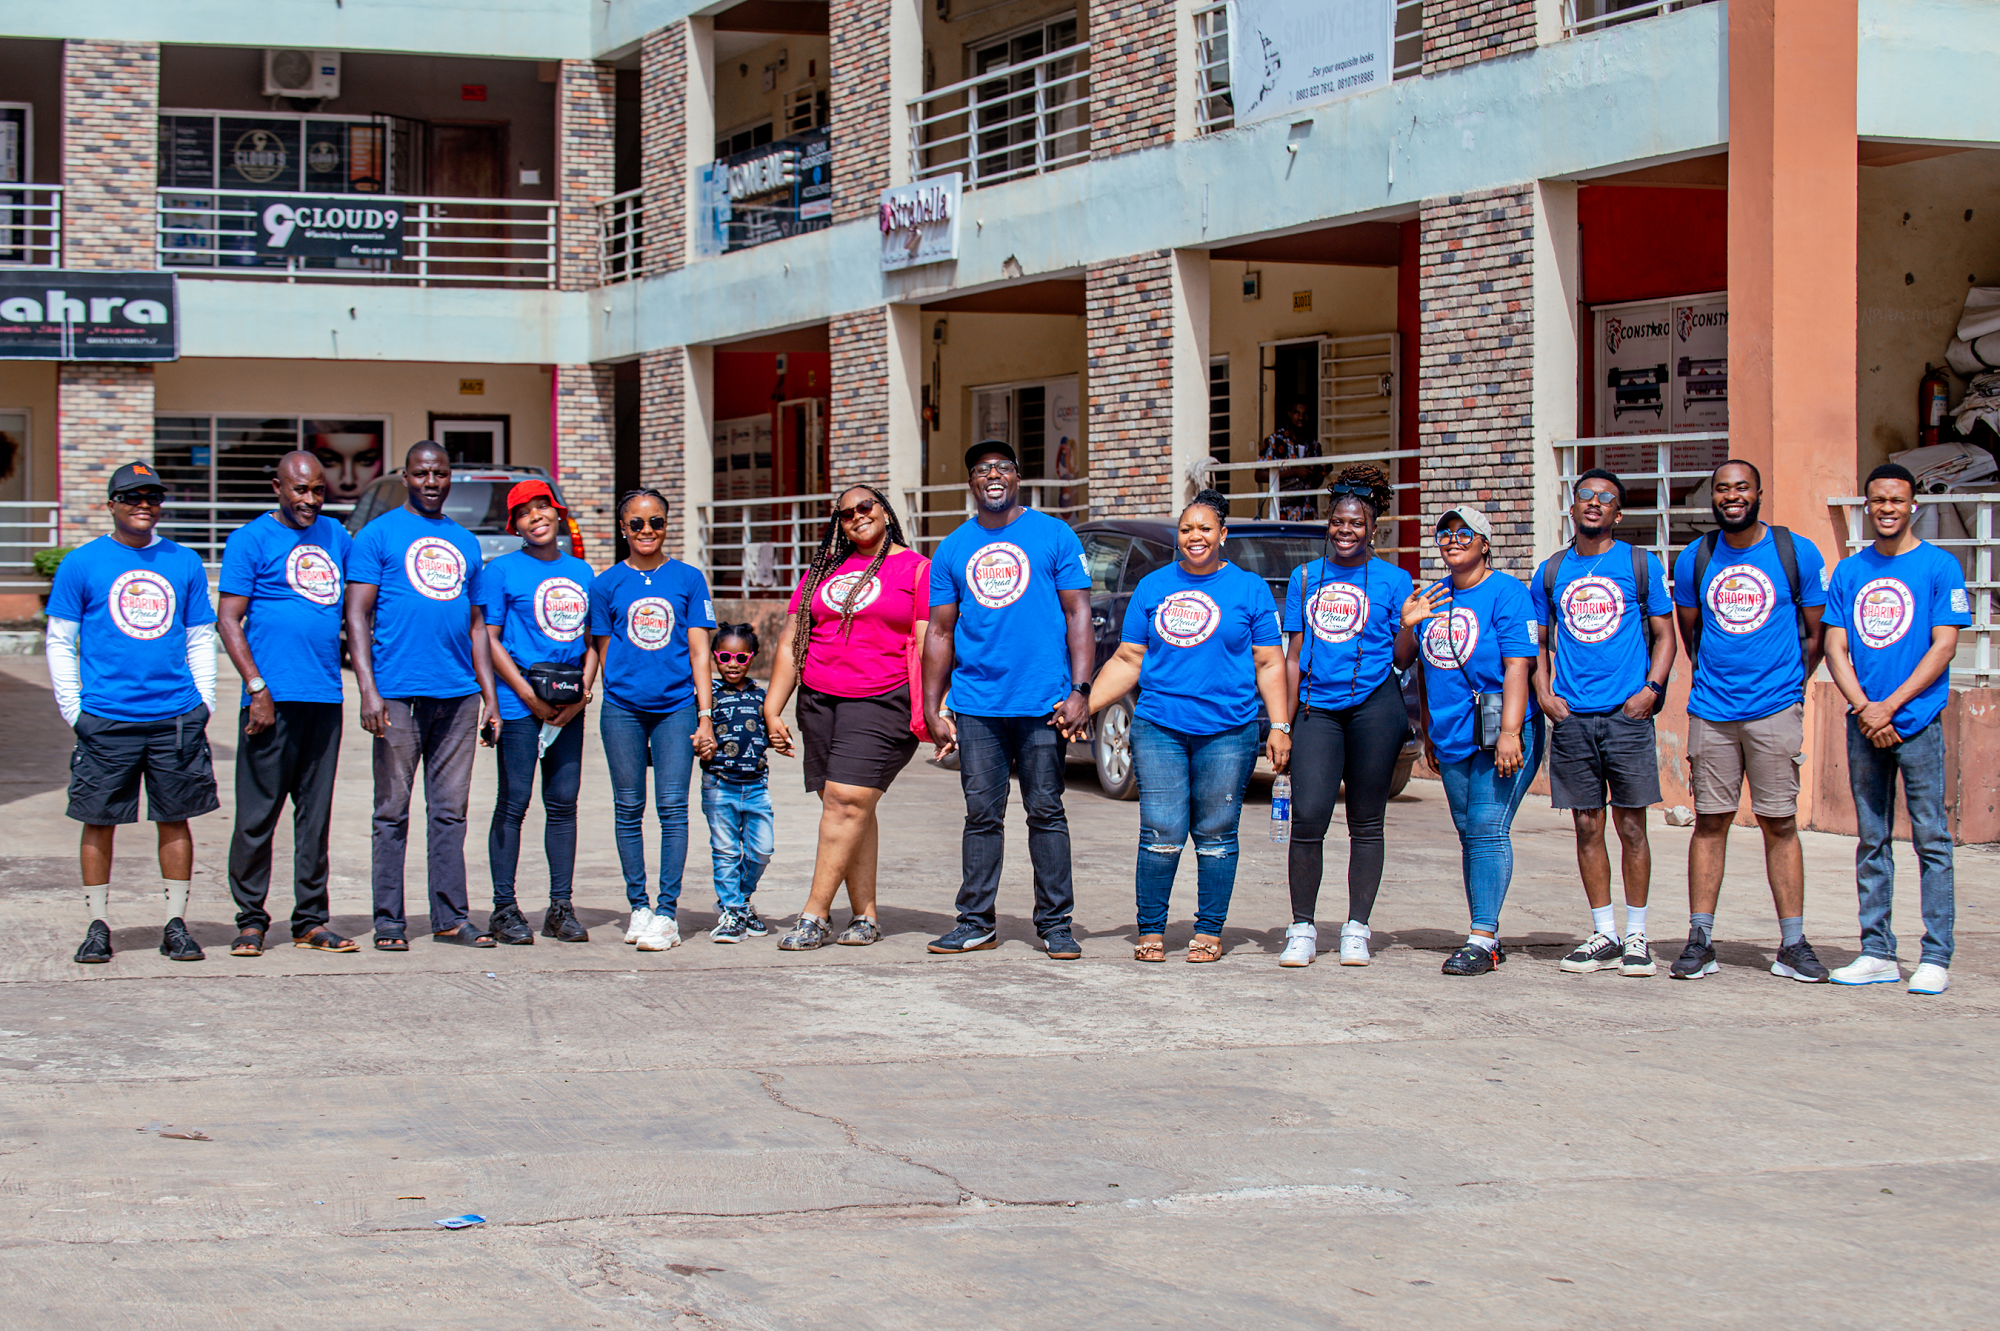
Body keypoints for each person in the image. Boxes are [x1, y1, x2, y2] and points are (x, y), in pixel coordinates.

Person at [1085, 488, 1290, 964]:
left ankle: (1209, 928)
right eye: (1186, 529)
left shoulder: (1250, 590)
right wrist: (1085, 706)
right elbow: (1129, 658)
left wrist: (1279, 724)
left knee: (1217, 831)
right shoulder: (1154, 587)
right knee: (1161, 828)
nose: (1194, 536)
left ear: (1222, 534)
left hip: (1229, 730)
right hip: (1159, 727)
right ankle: (1152, 928)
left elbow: (1269, 663)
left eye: (1204, 528)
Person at [921, 441, 1094, 959]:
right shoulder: (952, 548)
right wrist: (933, 705)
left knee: (1045, 810)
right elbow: (939, 631)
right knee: (982, 816)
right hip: (977, 704)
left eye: (1002, 468)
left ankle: (1056, 924)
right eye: (980, 470)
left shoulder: (1053, 534)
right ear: (971, 484)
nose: (992, 476)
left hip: (1043, 701)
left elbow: (1078, 614)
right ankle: (976, 922)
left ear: (1018, 477)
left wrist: (1080, 690)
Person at [48, 461, 219, 965]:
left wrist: (204, 702)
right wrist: (74, 711)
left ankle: (176, 923)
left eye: (152, 496)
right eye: (131, 496)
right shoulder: (82, 564)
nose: (143, 505)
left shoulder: (183, 562)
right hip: (106, 717)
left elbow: (199, 638)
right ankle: (98, 925)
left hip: (175, 716)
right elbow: (60, 641)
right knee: (98, 820)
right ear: (112, 504)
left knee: (175, 819)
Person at [1670, 459, 1830, 982]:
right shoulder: (1696, 558)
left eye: (1741, 487)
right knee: (1710, 822)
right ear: (1711, 498)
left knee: (1779, 822)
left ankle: (1793, 943)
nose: (1731, 496)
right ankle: (1700, 940)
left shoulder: (1795, 551)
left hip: (1776, 710)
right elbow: (1692, 635)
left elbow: (1815, 632)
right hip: (1712, 714)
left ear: (1759, 492)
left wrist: (1787, 688)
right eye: (1722, 489)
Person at [344, 441, 502, 951]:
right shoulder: (377, 534)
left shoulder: (465, 542)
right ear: (406, 476)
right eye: (421, 473)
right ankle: (389, 920)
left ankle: (451, 917)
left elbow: (479, 625)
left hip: (457, 696)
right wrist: (368, 689)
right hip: (396, 695)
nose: (431, 482)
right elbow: (356, 615)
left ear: (448, 477)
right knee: (391, 810)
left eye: (439, 473)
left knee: (450, 811)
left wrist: (489, 696)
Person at [1823, 462, 1968, 996]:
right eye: (1878, 500)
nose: (1887, 509)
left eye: (1896, 500)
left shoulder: (1939, 567)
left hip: (1920, 722)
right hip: (1864, 723)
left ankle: (1935, 956)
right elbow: (1835, 647)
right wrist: (1865, 708)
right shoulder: (1849, 572)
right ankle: (1877, 952)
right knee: (1871, 839)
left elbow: (1944, 646)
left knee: (1931, 837)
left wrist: (1891, 707)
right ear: (1868, 506)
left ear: (1913, 506)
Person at [765, 485, 930, 951]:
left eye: (865, 507)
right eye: (845, 514)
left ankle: (814, 915)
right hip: (819, 700)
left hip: (882, 699)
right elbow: (790, 640)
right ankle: (866, 916)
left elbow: (926, 644)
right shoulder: (823, 569)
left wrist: (936, 708)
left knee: (845, 801)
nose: (857, 517)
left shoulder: (917, 570)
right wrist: (771, 706)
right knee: (850, 809)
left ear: (884, 511)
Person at [1530, 469, 1676, 979]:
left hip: (1626, 717)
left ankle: (1637, 934)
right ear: (1571, 508)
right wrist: (1544, 692)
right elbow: (1540, 644)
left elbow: (1665, 635)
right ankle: (1604, 932)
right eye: (1585, 497)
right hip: (1572, 719)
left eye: (1605, 499)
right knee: (1587, 825)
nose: (1594, 504)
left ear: (1618, 513)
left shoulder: (1639, 564)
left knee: (1631, 826)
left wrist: (1650, 692)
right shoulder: (1550, 571)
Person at [216, 450, 357, 957]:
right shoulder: (250, 539)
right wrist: (256, 688)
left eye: (318, 490)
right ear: (277, 487)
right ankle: (251, 921)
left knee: (313, 816)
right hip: (270, 700)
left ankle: (310, 920)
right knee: (257, 816)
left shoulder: (336, 537)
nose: (311, 500)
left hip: (324, 696)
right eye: (300, 489)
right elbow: (228, 619)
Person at [1278, 463, 1415, 968]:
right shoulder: (1304, 577)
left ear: (1373, 528)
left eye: (1356, 523)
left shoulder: (1395, 580)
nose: (1345, 530)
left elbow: (1402, 658)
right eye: (1338, 521)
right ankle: (1302, 927)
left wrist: (1409, 625)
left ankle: (1356, 928)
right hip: (1316, 710)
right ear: (1328, 523)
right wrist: (1283, 724)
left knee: (1367, 822)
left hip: (1375, 710)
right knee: (1308, 817)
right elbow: (1293, 656)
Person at [1403, 505, 1544, 977]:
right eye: (1445, 533)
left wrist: (1509, 732)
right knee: (1470, 834)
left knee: (1486, 827)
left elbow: (1518, 666)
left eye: (1466, 533)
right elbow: (1415, 666)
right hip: (1450, 734)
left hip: (1500, 731)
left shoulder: (1507, 593)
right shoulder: (1434, 597)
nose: (1453, 540)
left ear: (1485, 543)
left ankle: (1483, 937)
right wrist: (1409, 622)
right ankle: (1484, 930)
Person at [589, 488, 718, 952]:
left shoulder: (688, 579)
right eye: (637, 524)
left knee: (672, 809)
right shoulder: (605, 584)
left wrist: (705, 716)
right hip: (622, 710)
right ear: (623, 528)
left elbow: (701, 651)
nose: (647, 531)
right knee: (628, 808)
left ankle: (667, 912)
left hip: (676, 709)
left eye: (656, 522)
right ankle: (638, 906)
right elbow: (605, 651)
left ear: (667, 525)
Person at [480, 479, 599, 946]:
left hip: (568, 703)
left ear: (558, 514)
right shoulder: (502, 571)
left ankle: (560, 907)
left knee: (563, 803)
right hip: (518, 703)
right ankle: (504, 909)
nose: (536, 517)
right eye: (525, 512)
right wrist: (528, 700)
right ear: (515, 525)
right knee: (513, 803)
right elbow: (489, 639)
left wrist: (583, 694)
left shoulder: (583, 571)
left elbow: (593, 643)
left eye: (543, 508)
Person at [702, 623, 773, 943]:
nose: (732, 663)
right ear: (715, 657)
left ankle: (741, 900)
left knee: (762, 850)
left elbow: (770, 733)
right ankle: (731, 910)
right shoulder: (708, 695)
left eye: (741, 657)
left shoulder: (762, 696)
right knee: (726, 851)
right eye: (725, 656)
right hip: (720, 784)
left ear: (753, 658)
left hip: (757, 787)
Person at [1257, 402, 1325, 522]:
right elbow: (1259, 475)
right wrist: (1294, 472)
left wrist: (1323, 473)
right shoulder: (1274, 441)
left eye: (1305, 414)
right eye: (1296, 413)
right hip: (1282, 512)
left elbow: (1313, 484)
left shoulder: (1314, 446)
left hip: (1308, 513)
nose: (1300, 417)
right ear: (1289, 414)